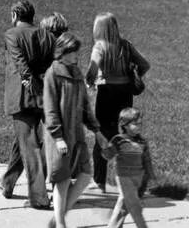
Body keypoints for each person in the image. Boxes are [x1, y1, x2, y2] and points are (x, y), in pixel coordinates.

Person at [44, 33, 108, 228]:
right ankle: (61, 223)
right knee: (62, 180)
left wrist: (97, 131)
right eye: (73, 52)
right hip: (59, 137)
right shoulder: (52, 74)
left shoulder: (77, 73)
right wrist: (58, 137)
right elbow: (50, 109)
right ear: (62, 53)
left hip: (76, 135)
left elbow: (85, 107)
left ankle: (56, 219)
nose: (76, 56)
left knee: (85, 174)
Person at [0, 0, 55, 209]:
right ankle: (8, 181)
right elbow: (52, 62)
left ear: (15, 15)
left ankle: (39, 197)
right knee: (23, 139)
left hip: (23, 95)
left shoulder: (12, 34)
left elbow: (19, 61)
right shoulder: (47, 35)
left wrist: (30, 81)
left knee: (29, 144)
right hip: (44, 94)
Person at [85, 13, 151, 192]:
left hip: (106, 95)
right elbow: (145, 65)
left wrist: (90, 81)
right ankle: (131, 180)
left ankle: (99, 181)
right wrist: (132, 74)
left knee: (103, 137)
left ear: (100, 28)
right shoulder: (126, 45)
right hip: (125, 95)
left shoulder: (100, 46)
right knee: (125, 136)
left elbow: (92, 69)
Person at [102, 107, 154, 228]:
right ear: (124, 125)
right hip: (124, 177)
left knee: (123, 206)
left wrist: (149, 173)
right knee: (135, 208)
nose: (139, 126)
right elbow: (108, 155)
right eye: (135, 124)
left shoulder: (142, 141)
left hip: (138, 177)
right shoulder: (118, 140)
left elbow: (146, 159)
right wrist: (106, 150)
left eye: (140, 123)